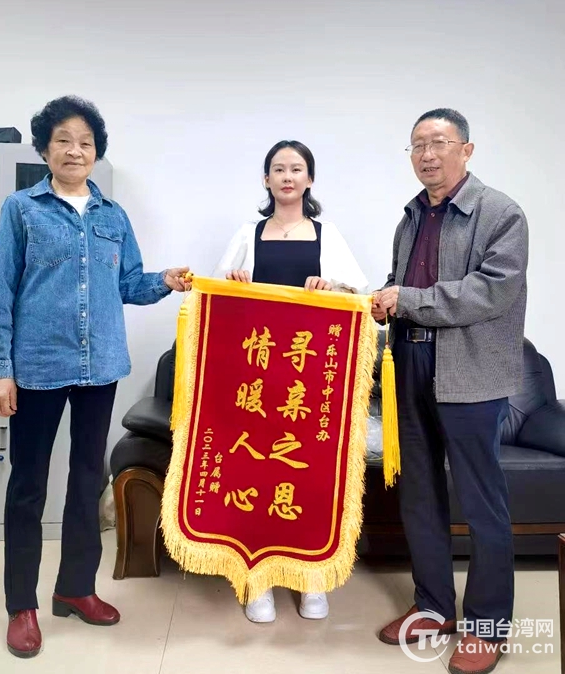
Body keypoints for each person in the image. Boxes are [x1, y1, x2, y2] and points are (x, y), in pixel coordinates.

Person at [0, 95, 188, 659]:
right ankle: (21, 604)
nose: (75, 150)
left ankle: (75, 588)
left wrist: (165, 280)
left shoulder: (111, 216)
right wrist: (0, 372)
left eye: (86, 143)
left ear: (97, 152)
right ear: (45, 149)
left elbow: (129, 285)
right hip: (37, 367)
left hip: (100, 369)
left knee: (86, 479)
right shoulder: (22, 209)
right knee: (28, 485)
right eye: (63, 141)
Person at [373, 109, 528, 674]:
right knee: (419, 495)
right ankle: (433, 606)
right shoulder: (411, 215)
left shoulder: (501, 213)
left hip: (470, 372)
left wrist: (406, 300)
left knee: (482, 502)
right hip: (410, 364)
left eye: (439, 142)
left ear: (467, 149)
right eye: (417, 145)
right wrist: (373, 298)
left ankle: (487, 625)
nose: (427, 154)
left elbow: (490, 292)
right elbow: (401, 286)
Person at [214, 139, 368, 623]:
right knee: (255, 473)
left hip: (308, 379)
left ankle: (311, 579)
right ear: (266, 179)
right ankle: (257, 580)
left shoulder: (327, 235)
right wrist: (234, 284)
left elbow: (358, 296)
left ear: (309, 179)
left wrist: (331, 287)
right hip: (258, 378)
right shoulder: (248, 233)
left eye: (296, 169)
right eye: (278, 169)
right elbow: (213, 297)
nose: (287, 176)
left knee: (309, 473)